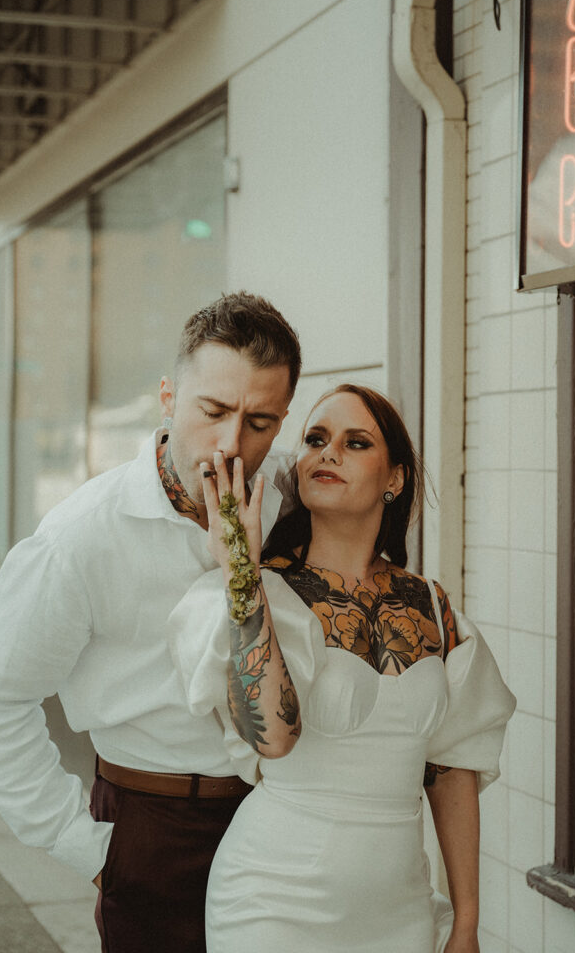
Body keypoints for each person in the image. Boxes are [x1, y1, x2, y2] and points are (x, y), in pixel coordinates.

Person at [0, 292, 303, 953]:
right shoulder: (78, 539)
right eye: (211, 411)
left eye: (259, 421)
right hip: (152, 828)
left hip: (287, 817)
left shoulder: (293, 502)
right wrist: (87, 847)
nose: (230, 443)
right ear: (167, 397)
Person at [168, 384, 517, 953]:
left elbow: (452, 768)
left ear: (395, 478)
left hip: (400, 908)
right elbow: (273, 737)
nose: (327, 452)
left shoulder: (432, 605)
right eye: (315, 439)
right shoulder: (261, 592)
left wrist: (467, 920)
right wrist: (239, 566)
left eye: (355, 442)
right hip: (272, 900)